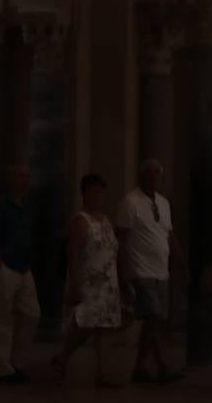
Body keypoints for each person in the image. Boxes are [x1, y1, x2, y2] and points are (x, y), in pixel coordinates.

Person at [50, 174, 127, 385]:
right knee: (83, 326)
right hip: (89, 282)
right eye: (94, 191)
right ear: (85, 193)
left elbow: (113, 251)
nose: (98, 196)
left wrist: (121, 278)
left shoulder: (106, 220)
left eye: (101, 192)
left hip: (107, 283)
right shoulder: (81, 221)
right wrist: (75, 283)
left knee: (104, 328)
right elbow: (72, 253)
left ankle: (103, 373)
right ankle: (63, 356)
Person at [114, 159, 186, 383]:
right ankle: (163, 365)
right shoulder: (130, 202)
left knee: (153, 321)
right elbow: (122, 239)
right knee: (153, 316)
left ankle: (140, 367)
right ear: (141, 175)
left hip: (161, 271)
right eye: (149, 172)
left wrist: (181, 264)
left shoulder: (163, 203)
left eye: (157, 172)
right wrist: (123, 272)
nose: (153, 176)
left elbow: (169, 235)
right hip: (140, 269)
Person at [0, 164, 38, 384]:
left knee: (32, 314)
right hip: (7, 266)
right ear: (11, 178)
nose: (25, 180)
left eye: (27, 176)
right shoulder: (0, 203)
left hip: (25, 268)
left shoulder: (27, 205)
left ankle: (18, 362)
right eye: (20, 176)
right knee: (3, 318)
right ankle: (4, 368)